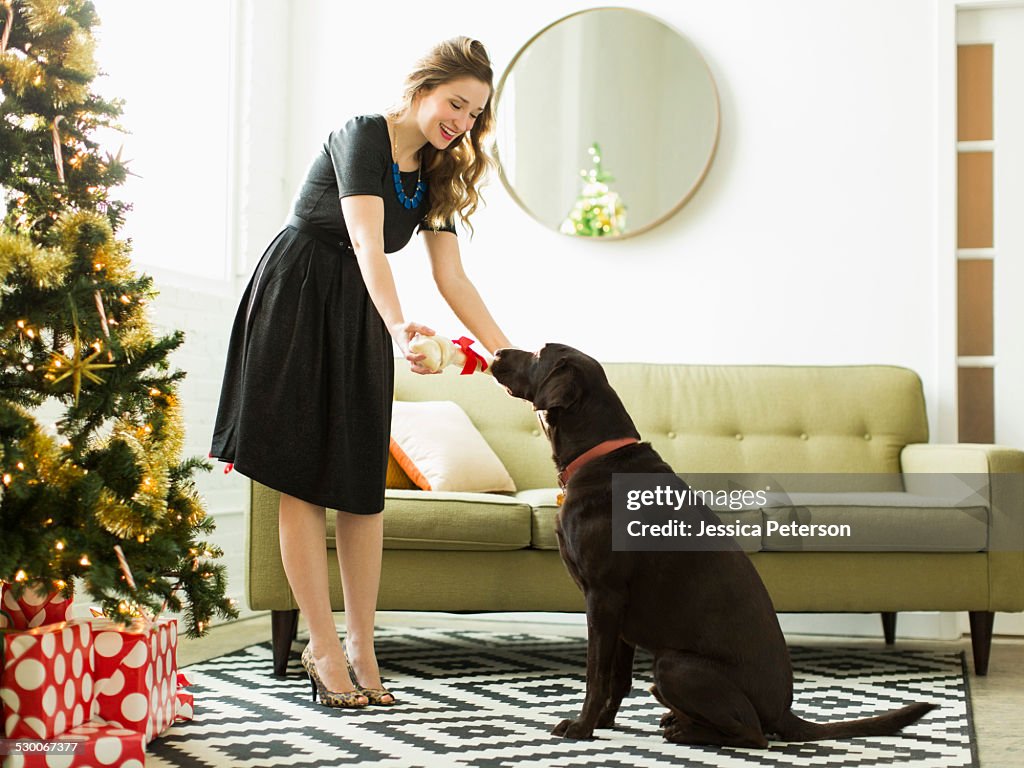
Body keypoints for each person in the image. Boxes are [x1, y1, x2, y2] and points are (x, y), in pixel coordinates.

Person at [210, 36, 512, 708]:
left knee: (360, 490)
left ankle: (362, 647)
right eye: (454, 104)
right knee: (302, 481)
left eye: (473, 114)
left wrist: (509, 354)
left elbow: (452, 277)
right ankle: (321, 647)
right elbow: (366, 244)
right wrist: (401, 325)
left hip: (361, 313)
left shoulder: (437, 171)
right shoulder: (362, 136)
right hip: (298, 294)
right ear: (422, 89)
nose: (461, 122)